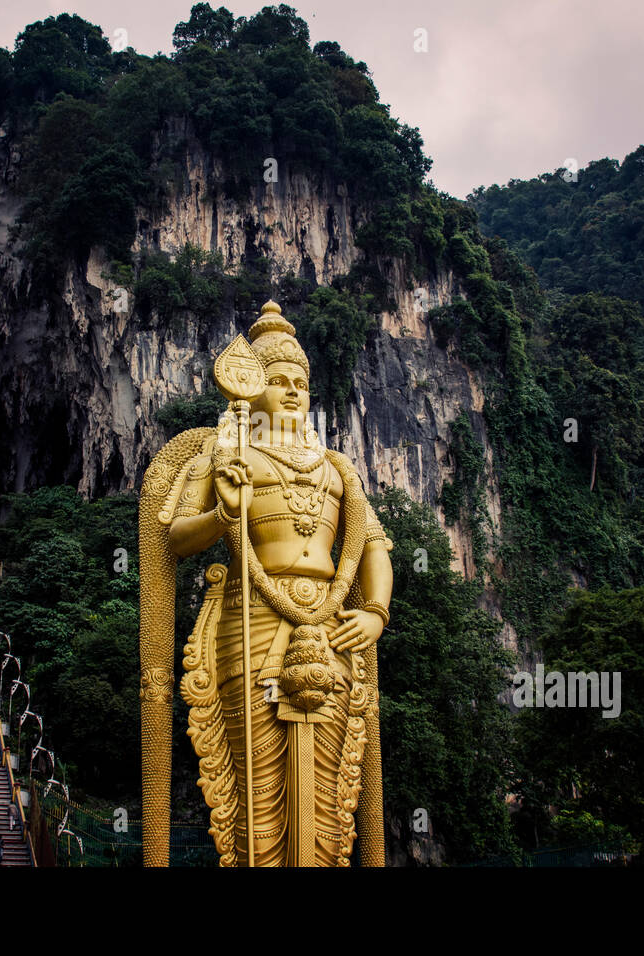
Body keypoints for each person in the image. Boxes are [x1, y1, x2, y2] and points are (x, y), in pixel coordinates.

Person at [140, 302, 393, 868]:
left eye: (301, 383)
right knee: (257, 784)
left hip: (329, 628)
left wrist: (374, 611)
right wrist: (224, 517)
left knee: (331, 791)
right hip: (250, 621)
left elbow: (372, 545)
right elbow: (176, 536)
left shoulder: (338, 468)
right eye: (277, 381)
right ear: (250, 389)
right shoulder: (226, 453)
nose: (292, 392)